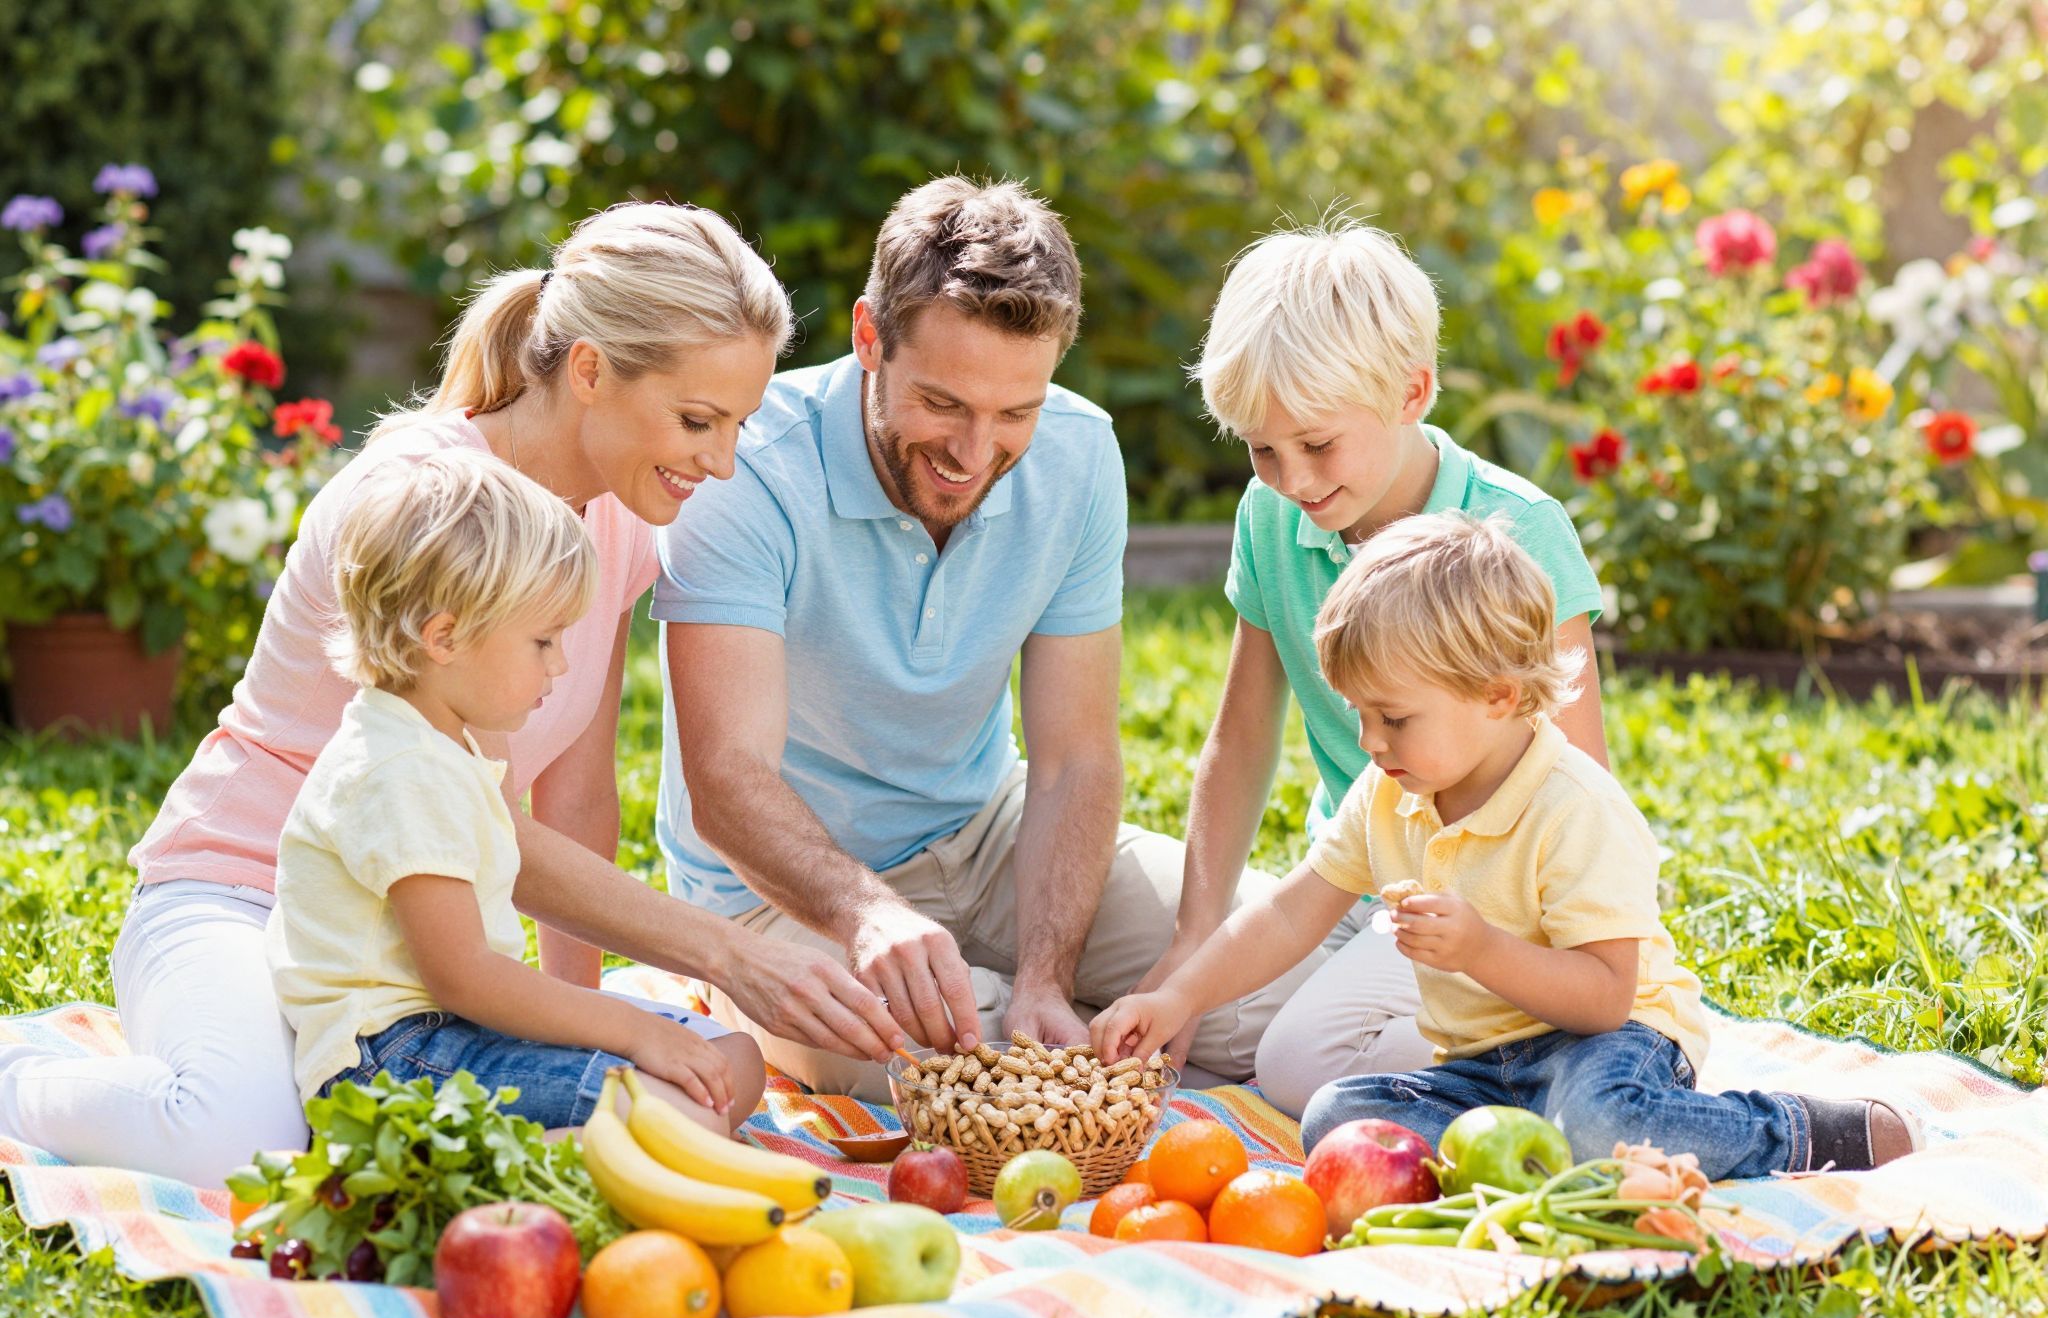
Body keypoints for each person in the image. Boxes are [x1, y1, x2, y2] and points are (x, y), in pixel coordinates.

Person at [0, 201, 900, 1186]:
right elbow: (458, 814)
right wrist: (724, 955)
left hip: (416, 949)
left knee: (674, 1099)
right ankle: (20, 1075)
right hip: (240, 895)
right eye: (696, 420)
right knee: (239, 1140)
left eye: (737, 424)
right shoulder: (427, 514)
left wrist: (587, 1045)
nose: (720, 461)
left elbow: (574, 798)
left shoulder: (619, 527)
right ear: (590, 371)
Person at [654, 176, 1322, 1099]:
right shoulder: (745, 468)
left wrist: (1049, 972)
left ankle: (1040, 1005)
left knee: (1281, 986)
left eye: (1016, 413)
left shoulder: (1080, 456)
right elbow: (726, 783)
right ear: (868, 338)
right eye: (944, 404)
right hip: (779, 897)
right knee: (964, 1069)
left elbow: (1073, 760)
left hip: (985, 832)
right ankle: (1007, 1026)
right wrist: (870, 916)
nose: (976, 454)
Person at [1093, 516, 1919, 1176]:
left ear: (1497, 696)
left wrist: (1478, 948)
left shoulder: (1574, 807)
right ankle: (1538, 1149)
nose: (1370, 741)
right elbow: (1286, 914)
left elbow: (1603, 998)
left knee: (1601, 1120)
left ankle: (1787, 1131)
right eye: (1359, 715)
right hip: (1484, 1063)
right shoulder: (1391, 790)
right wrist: (1180, 998)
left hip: (1613, 1044)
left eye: (1394, 717)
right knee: (1335, 1120)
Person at [1145, 216, 1612, 1119]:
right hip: (1357, 883)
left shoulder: (1520, 529)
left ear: (1412, 392)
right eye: (1261, 448)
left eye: (1317, 445)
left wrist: (1513, 950)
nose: (1291, 479)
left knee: (1291, 1065)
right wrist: (1191, 945)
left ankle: (1567, 1051)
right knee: (1202, 1014)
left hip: (1499, 908)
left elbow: (1579, 780)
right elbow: (1241, 738)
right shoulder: (1273, 516)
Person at [270, 451, 762, 1131]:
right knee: (681, 1108)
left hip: (461, 1035)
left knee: (734, 1061)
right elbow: (463, 977)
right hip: (394, 1066)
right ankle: (588, 1167)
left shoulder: (441, 744)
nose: (561, 664)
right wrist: (630, 1031)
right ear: (443, 636)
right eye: (543, 640)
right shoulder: (399, 771)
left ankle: (591, 1148)